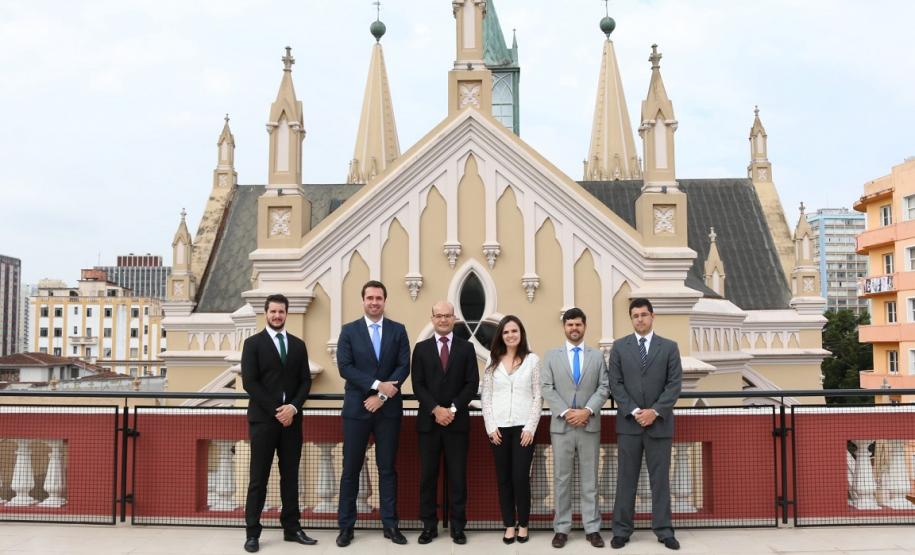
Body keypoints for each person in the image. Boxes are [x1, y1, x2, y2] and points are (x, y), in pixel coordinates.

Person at [335, 280, 411, 547]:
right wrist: (378, 385)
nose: (374, 302)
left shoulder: (398, 331)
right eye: (370, 298)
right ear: (363, 300)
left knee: (387, 469)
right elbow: (345, 368)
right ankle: (346, 527)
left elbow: (403, 367)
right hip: (357, 410)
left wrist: (380, 397)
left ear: (384, 301)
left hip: (387, 411)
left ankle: (391, 525)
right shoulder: (349, 331)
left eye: (379, 298)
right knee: (351, 469)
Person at [241, 294, 316, 553]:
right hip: (264, 421)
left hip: (292, 422)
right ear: (266, 313)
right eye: (273, 311)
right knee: (258, 479)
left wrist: (293, 408)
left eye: (281, 312)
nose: (277, 316)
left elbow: (306, 381)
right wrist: (278, 410)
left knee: (290, 478)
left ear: (287, 314)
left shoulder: (297, 345)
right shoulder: (252, 344)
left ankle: (292, 528)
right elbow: (250, 382)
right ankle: (252, 533)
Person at [608, 298, 683, 551]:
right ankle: (621, 530)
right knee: (626, 479)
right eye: (635, 315)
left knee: (660, 480)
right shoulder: (619, 347)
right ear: (631, 319)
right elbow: (615, 384)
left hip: (659, 425)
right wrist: (635, 410)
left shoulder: (670, 347)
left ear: (652, 316)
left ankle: (664, 531)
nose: (639, 319)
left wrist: (655, 412)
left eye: (643, 314)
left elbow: (674, 385)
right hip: (629, 424)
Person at [410, 300, 479, 545]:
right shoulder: (420, 349)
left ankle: (458, 527)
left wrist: (450, 409)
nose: (443, 320)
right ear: (432, 318)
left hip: (456, 423)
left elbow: (472, 384)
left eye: (447, 316)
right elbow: (417, 384)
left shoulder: (466, 349)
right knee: (428, 477)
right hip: (429, 424)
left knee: (458, 478)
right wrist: (435, 409)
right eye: (438, 315)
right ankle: (429, 526)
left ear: (454, 319)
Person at [541, 308, 610, 549]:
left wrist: (587, 411)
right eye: (570, 324)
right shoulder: (551, 356)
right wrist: (567, 413)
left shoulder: (597, 356)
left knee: (590, 480)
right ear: (564, 327)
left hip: (589, 425)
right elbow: (546, 388)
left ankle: (592, 528)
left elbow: (604, 387)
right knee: (561, 479)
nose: (574, 328)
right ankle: (561, 528)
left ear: (585, 326)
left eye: (578, 324)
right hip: (562, 426)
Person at [481, 315, 542, 545]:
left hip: (523, 428)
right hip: (498, 429)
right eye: (506, 332)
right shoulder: (492, 360)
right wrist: (490, 427)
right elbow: (486, 396)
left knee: (520, 477)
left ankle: (523, 524)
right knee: (504, 478)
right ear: (501, 336)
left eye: (514, 331)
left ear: (521, 333)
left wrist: (531, 427)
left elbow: (538, 396)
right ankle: (509, 524)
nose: (510, 335)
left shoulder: (532, 360)